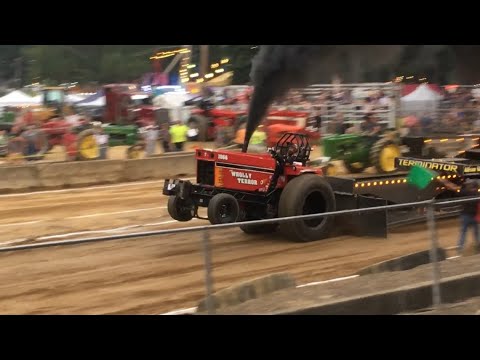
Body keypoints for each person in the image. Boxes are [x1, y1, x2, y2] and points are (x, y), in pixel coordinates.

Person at [438, 178, 480, 255]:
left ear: (470, 186)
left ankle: (460, 250)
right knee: (476, 234)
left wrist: (444, 181)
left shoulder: (465, 192)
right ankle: (477, 248)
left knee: (463, 233)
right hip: (474, 216)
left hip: (466, 216)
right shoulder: (477, 194)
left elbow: (453, 187)